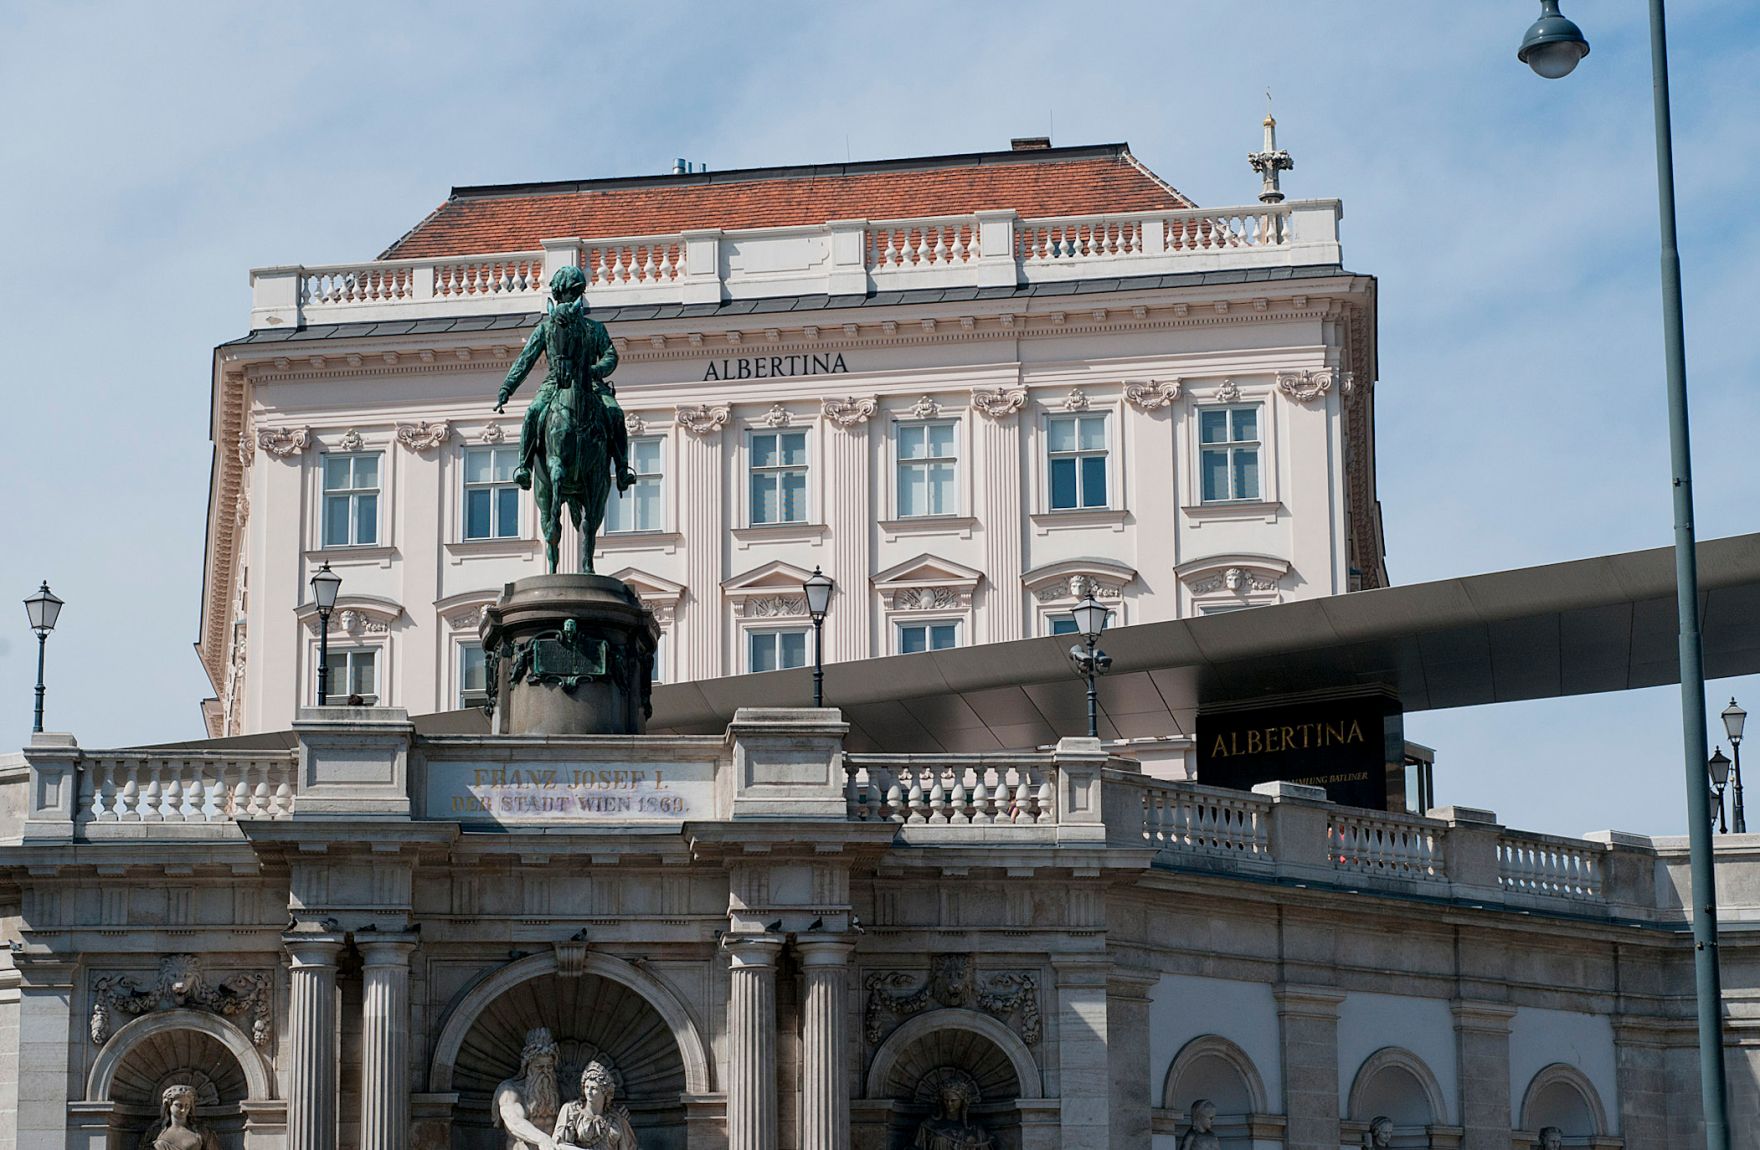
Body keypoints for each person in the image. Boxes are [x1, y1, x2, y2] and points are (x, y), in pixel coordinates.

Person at [496, 265, 633, 494]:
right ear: (559, 294)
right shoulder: (546, 329)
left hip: (590, 383)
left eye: (578, 292)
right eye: (570, 292)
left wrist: (594, 370)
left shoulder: (594, 329)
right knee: (533, 412)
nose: (574, 296)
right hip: (555, 382)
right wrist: (507, 387)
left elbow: (611, 356)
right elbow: (525, 359)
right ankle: (524, 467)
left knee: (615, 413)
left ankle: (622, 469)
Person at [494, 1027, 562, 1150]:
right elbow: (514, 1122)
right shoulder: (510, 1090)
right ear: (528, 1067)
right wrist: (542, 1139)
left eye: (549, 1067)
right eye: (540, 1067)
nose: (545, 1072)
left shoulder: (559, 1089)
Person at [553, 1059, 639, 1150]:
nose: (588, 1092)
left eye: (594, 1088)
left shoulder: (616, 1116)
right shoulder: (571, 1110)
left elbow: (629, 1147)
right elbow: (558, 1144)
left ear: (604, 1091)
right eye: (586, 1087)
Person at [913, 1075, 993, 1150]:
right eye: (946, 1100)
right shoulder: (928, 1126)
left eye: (953, 1100)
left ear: (962, 1101)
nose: (949, 1104)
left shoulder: (975, 1129)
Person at [140, 1084, 219, 1150]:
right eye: (178, 1105)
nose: (183, 1109)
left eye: (187, 1106)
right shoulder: (154, 1132)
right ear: (168, 1105)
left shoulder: (202, 1132)